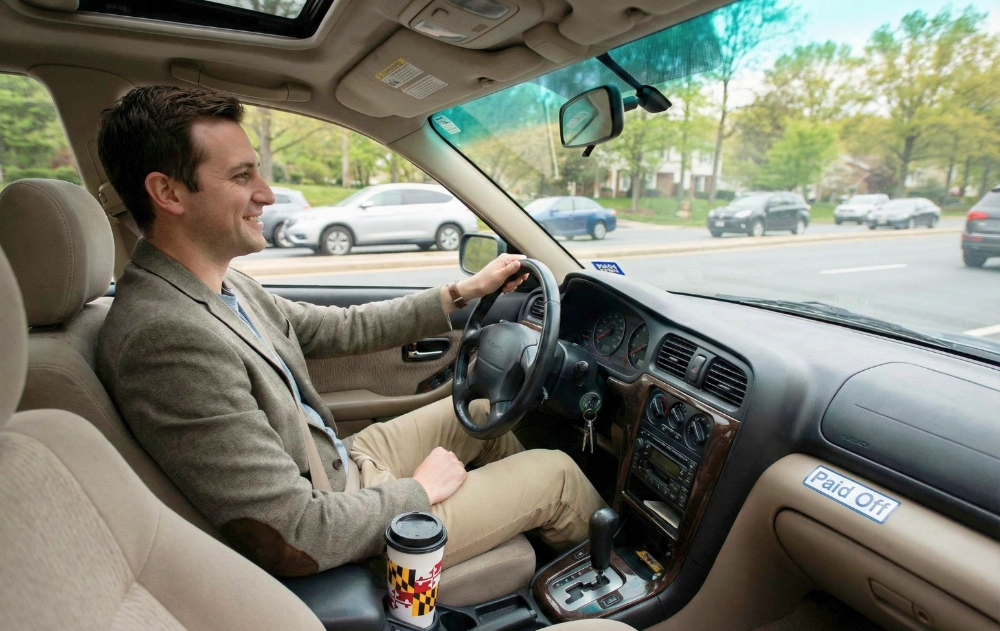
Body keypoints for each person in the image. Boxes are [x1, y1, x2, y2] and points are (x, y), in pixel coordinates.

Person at [96, 86, 605, 577]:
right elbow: (297, 532)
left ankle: (545, 554)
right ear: (168, 192)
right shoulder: (166, 340)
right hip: (344, 524)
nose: (266, 194)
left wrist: (463, 291)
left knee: (479, 414)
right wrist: (419, 492)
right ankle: (623, 583)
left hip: (339, 466)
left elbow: (340, 327)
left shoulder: (218, 285)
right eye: (241, 176)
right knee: (557, 476)